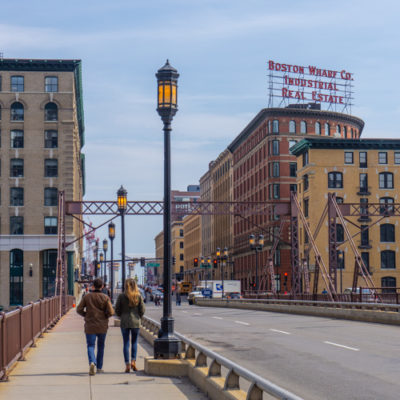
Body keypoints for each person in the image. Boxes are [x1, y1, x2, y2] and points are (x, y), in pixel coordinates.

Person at [77, 278, 114, 376]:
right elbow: (111, 312)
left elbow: (79, 309)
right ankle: (99, 368)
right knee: (101, 346)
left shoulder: (87, 297)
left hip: (90, 325)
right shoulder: (105, 297)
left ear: (93, 286)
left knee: (90, 346)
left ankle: (92, 362)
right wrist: (105, 316)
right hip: (102, 326)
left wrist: (86, 315)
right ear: (102, 286)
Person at [115, 278, 145, 373]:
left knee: (126, 343)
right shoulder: (138, 296)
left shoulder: (121, 296)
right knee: (134, 342)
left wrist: (121, 315)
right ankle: (133, 361)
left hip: (124, 322)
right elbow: (142, 310)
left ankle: (127, 364)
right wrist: (138, 316)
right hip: (135, 322)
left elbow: (117, 310)